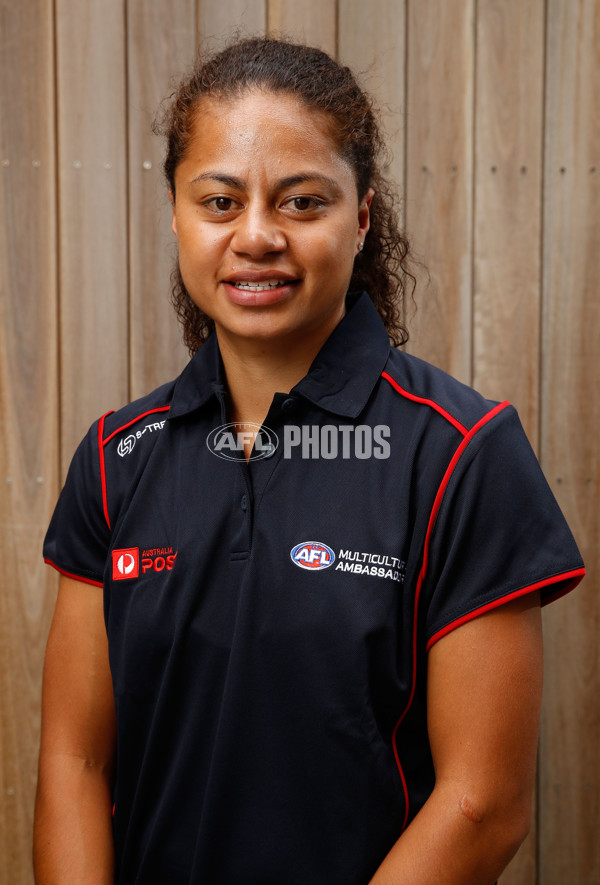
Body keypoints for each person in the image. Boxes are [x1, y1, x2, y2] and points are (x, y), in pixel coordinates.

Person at [34, 36, 585, 885]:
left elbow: (484, 800)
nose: (255, 236)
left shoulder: (462, 452)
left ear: (361, 217)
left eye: (300, 202)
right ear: (177, 213)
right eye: (219, 201)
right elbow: (76, 763)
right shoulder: (115, 459)